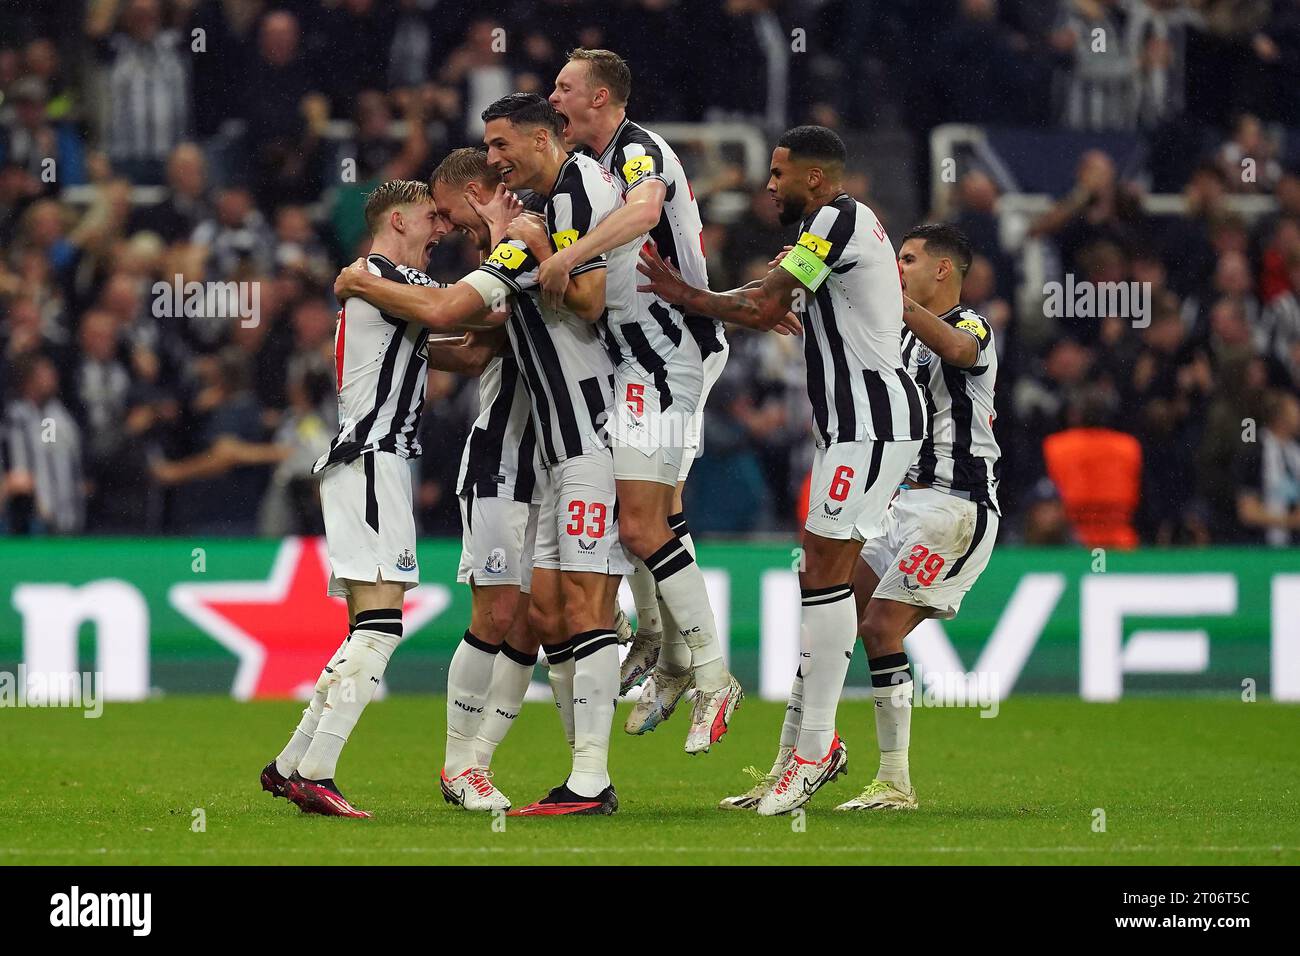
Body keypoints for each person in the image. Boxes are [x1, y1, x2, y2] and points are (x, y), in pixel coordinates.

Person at [637, 125, 926, 815]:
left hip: (873, 422)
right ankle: (797, 755)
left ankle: (815, 749)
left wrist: (683, 293)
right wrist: (758, 295)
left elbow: (763, 303)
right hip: (850, 429)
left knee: (825, 575)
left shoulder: (838, 217)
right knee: (821, 578)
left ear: (817, 179)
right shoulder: (834, 230)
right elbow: (771, 295)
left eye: (778, 173)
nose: (769, 184)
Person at [262, 176, 515, 817]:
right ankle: (317, 772)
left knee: (363, 630)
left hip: (368, 464)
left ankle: (291, 763)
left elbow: (460, 351)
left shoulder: (381, 288)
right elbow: (469, 309)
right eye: (432, 218)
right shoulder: (384, 276)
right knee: (379, 628)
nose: (441, 231)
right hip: (374, 460)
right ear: (398, 221)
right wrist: (513, 249)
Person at [544, 48, 742, 751]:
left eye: (564, 88)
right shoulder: (590, 167)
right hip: (635, 358)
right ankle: (671, 652)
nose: (553, 97)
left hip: (670, 354)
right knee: (644, 520)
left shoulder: (637, 150)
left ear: (600, 96)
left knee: (641, 524)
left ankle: (707, 673)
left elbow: (647, 209)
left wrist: (566, 256)